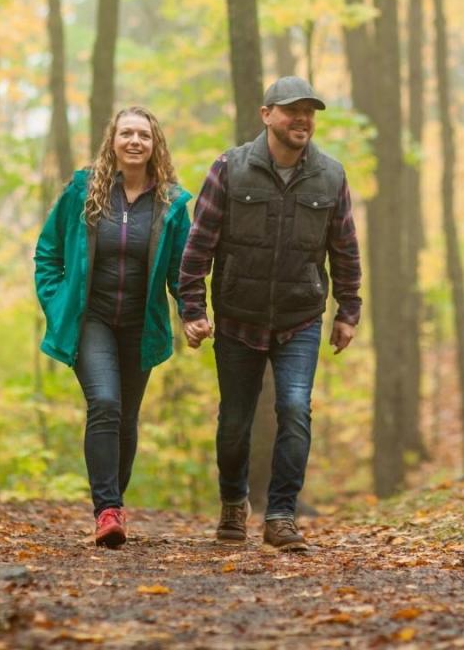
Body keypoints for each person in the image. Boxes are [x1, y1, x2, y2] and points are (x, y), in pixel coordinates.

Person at [178, 76, 362, 553]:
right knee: (235, 421)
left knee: (295, 409)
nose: (302, 119)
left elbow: (344, 247)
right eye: (291, 110)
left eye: (309, 112)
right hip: (239, 315)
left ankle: (281, 515)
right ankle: (234, 504)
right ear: (266, 115)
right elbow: (199, 242)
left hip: (300, 316)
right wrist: (192, 307)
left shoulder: (331, 175)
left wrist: (349, 309)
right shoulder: (230, 168)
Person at [34, 106, 192, 548]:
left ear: (155, 143)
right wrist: (56, 301)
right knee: (104, 402)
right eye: (127, 133)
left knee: (126, 418)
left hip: (141, 325)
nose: (135, 141)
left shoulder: (173, 205)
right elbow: (47, 253)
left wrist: (191, 311)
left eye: (144, 134)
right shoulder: (84, 191)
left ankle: (114, 504)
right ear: (113, 141)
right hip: (92, 320)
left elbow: (183, 270)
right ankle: (106, 510)